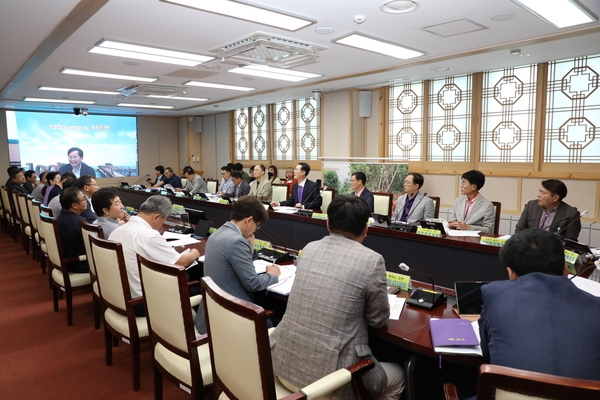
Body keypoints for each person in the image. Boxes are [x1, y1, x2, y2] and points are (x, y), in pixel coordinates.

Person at [271, 195, 405, 400]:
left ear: (328, 223)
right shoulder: (372, 260)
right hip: (329, 383)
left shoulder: (309, 248)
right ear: (365, 229)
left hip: (283, 365)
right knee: (398, 375)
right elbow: (377, 320)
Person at [479, 228, 600, 381]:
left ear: (511, 273)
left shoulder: (495, 294)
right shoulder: (597, 307)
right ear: (565, 268)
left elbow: (488, 353)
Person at [195, 196, 280, 334]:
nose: (255, 230)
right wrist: (272, 275)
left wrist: (250, 248)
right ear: (249, 220)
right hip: (231, 319)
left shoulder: (218, 232)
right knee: (279, 316)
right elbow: (253, 283)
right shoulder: (236, 241)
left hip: (212, 312)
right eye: (257, 226)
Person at [109, 196, 199, 316]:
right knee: (195, 278)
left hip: (117, 297)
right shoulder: (148, 235)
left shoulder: (117, 231)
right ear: (156, 216)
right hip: (142, 303)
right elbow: (182, 262)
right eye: (163, 220)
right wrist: (195, 252)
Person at [515, 179, 581, 241]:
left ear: (555, 198)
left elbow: (570, 241)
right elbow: (519, 230)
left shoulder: (571, 214)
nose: (538, 195)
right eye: (539, 191)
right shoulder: (531, 205)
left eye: (543, 193)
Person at [56, 187, 89, 273]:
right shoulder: (80, 222)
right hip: (80, 264)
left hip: (69, 262)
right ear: (74, 205)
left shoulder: (59, 218)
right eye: (84, 199)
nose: (86, 201)